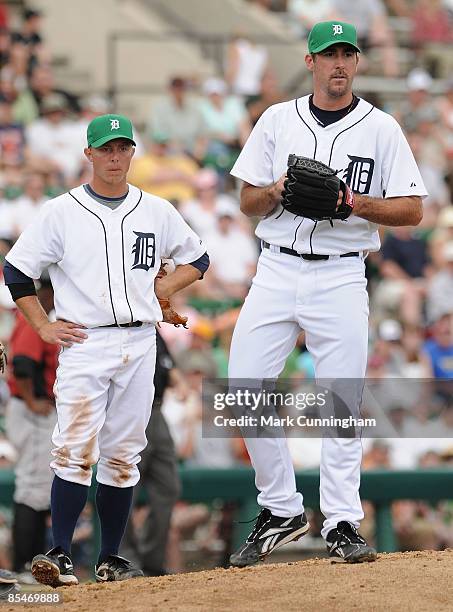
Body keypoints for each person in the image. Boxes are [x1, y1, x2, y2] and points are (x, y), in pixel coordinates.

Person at [227, 21, 425, 567]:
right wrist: (276, 191)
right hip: (277, 267)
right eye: (327, 54)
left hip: (340, 273)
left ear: (356, 62)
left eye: (346, 53)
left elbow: (412, 209)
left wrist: (354, 204)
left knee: (341, 401)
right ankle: (282, 508)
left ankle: (341, 521)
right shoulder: (275, 119)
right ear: (310, 62)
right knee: (243, 386)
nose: (338, 63)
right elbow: (247, 200)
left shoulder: (381, 128)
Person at [2, 113, 209, 586]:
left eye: (123, 148)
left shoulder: (156, 209)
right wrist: (43, 325)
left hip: (139, 340)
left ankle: (111, 556)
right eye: (106, 149)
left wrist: (161, 292)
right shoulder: (61, 210)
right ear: (89, 154)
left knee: (123, 454)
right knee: (73, 450)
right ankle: (58, 553)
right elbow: (17, 272)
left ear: (133, 152)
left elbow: (198, 258)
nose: (116, 157)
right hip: (86, 338)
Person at [5, 274, 57, 582]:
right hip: (30, 409)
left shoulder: (40, 319)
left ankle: (30, 566)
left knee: (38, 489)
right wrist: (30, 400)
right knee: (32, 488)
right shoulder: (33, 319)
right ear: (46, 291)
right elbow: (22, 363)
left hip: (32, 408)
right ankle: (25, 565)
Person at [120, 330, 182, 577]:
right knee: (124, 486)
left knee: (169, 487)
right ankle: (125, 559)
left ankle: (152, 560)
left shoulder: (152, 330)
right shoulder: (120, 326)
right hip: (130, 413)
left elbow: (169, 368)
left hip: (157, 411)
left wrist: (184, 385)